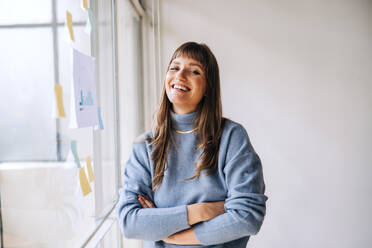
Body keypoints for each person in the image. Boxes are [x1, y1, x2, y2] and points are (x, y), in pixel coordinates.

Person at [117, 42, 268, 248]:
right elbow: (130, 223)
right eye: (174, 67)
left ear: (208, 87)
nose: (180, 75)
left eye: (194, 71)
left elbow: (247, 217)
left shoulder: (231, 137)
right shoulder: (145, 146)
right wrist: (201, 211)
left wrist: (171, 233)